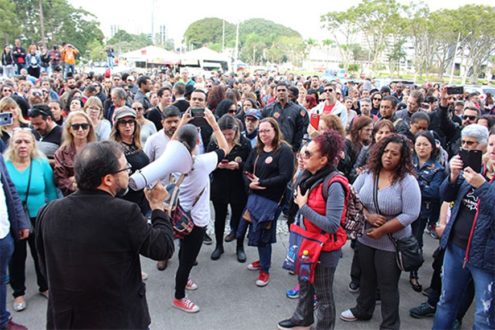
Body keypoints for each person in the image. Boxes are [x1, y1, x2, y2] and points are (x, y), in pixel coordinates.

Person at [35, 141, 175, 329]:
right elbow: (163, 249)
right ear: (108, 179)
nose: (129, 173)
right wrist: (157, 207)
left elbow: (46, 267)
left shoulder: (48, 211)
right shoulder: (125, 212)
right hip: (117, 320)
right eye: (125, 168)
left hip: (67, 320)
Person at [340, 134, 421, 330]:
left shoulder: (407, 181)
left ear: (402, 158)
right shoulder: (368, 174)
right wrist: (367, 216)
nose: (388, 156)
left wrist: (383, 229)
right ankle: (363, 310)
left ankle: (390, 324)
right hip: (367, 238)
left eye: (395, 153)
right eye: (386, 152)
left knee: (387, 285)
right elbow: (352, 196)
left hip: (392, 242)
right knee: (367, 277)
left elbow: (411, 214)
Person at [277, 130, 348, 330]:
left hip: (325, 249)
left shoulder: (334, 184)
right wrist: (300, 171)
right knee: (305, 284)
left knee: (323, 295)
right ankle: (302, 318)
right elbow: (295, 195)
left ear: (324, 159)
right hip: (306, 241)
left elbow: (333, 224)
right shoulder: (309, 174)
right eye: (303, 151)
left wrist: (304, 207)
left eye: (308, 154)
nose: (302, 156)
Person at [433, 125, 494, 330]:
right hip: (456, 247)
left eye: (472, 144)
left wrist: (482, 186)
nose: (466, 148)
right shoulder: (471, 169)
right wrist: (452, 175)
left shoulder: (480, 178)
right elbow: (445, 196)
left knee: (484, 316)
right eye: (464, 143)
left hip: (486, 257)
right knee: (446, 302)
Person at [171, 109, 230, 313]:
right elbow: (225, 148)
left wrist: (182, 122)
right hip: (197, 219)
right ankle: (179, 297)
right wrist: (214, 124)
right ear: (198, 142)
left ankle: (184, 279)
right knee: (188, 259)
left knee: (183, 251)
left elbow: (173, 143)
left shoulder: (173, 159)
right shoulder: (202, 162)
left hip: (182, 215)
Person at [4, 129, 57, 312]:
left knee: (41, 253)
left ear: (33, 144)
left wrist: (51, 215)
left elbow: (51, 191)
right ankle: (18, 293)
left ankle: (45, 286)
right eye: (18, 142)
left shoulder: (41, 163)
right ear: (12, 145)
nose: (23, 146)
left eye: (27, 142)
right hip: (15, 218)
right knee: (17, 256)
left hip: (39, 216)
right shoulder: (5, 163)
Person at [243, 117, 295, 287]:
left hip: (273, 201)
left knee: (264, 234)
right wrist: (250, 183)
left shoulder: (284, 150)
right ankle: (263, 260)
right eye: (261, 131)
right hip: (255, 198)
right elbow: (246, 169)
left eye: (267, 131)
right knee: (255, 230)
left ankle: (265, 270)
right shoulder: (257, 149)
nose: (263, 134)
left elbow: (285, 176)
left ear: (275, 131)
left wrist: (262, 183)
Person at [208, 115, 252, 262]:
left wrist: (238, 165)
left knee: (239, 218)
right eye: (224, 134)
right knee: (219, 218)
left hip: (238, 186)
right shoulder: (214, 142)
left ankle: (240, 246)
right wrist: (216, 164)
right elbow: (207, 161)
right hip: (219, 186)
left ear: (236, 131)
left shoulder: (244, 143)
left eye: (230, 134)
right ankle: (219, 246)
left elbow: (249, 164)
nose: (227, 137)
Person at [409, 131, 445, 292]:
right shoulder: (408, 163)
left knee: (416, 242)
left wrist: (414, 184)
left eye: (425, 144)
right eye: (418, 144)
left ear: (432, 147)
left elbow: (434, 192)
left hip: (422, 211)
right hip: (405, 207)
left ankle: (413, 273)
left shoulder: (438, 169)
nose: (421, 148)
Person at [0, 151, 30, 330]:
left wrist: (19, 221)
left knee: (2, 278)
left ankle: (2, 321)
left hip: (3, 232)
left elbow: (8, 187)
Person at [110, 107, 151, 215]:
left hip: (144, 199)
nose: (127, 126)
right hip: (127, 202)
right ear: (117, 126)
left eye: (130, 122)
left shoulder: (137, 144)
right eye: (123, 122)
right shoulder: (114, 148)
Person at [54, 111, 96, 196]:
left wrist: (75, 179)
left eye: (84, 126)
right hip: (72, 196)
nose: (80, 130)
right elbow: (60, 179)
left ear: (90, 128)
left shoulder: (98, 150)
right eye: (75, 126)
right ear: (69, 129)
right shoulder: (61, 152)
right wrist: (73, 185)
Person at [262, 82, 306, 152]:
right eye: (279, 90)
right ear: (275, 93)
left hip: (290, 148)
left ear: (288, 92)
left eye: (283, 90)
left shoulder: (297, 109)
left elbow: (300, 130)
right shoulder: (268, 109)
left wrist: (295, 147)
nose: (281, 92)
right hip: (272, 147)